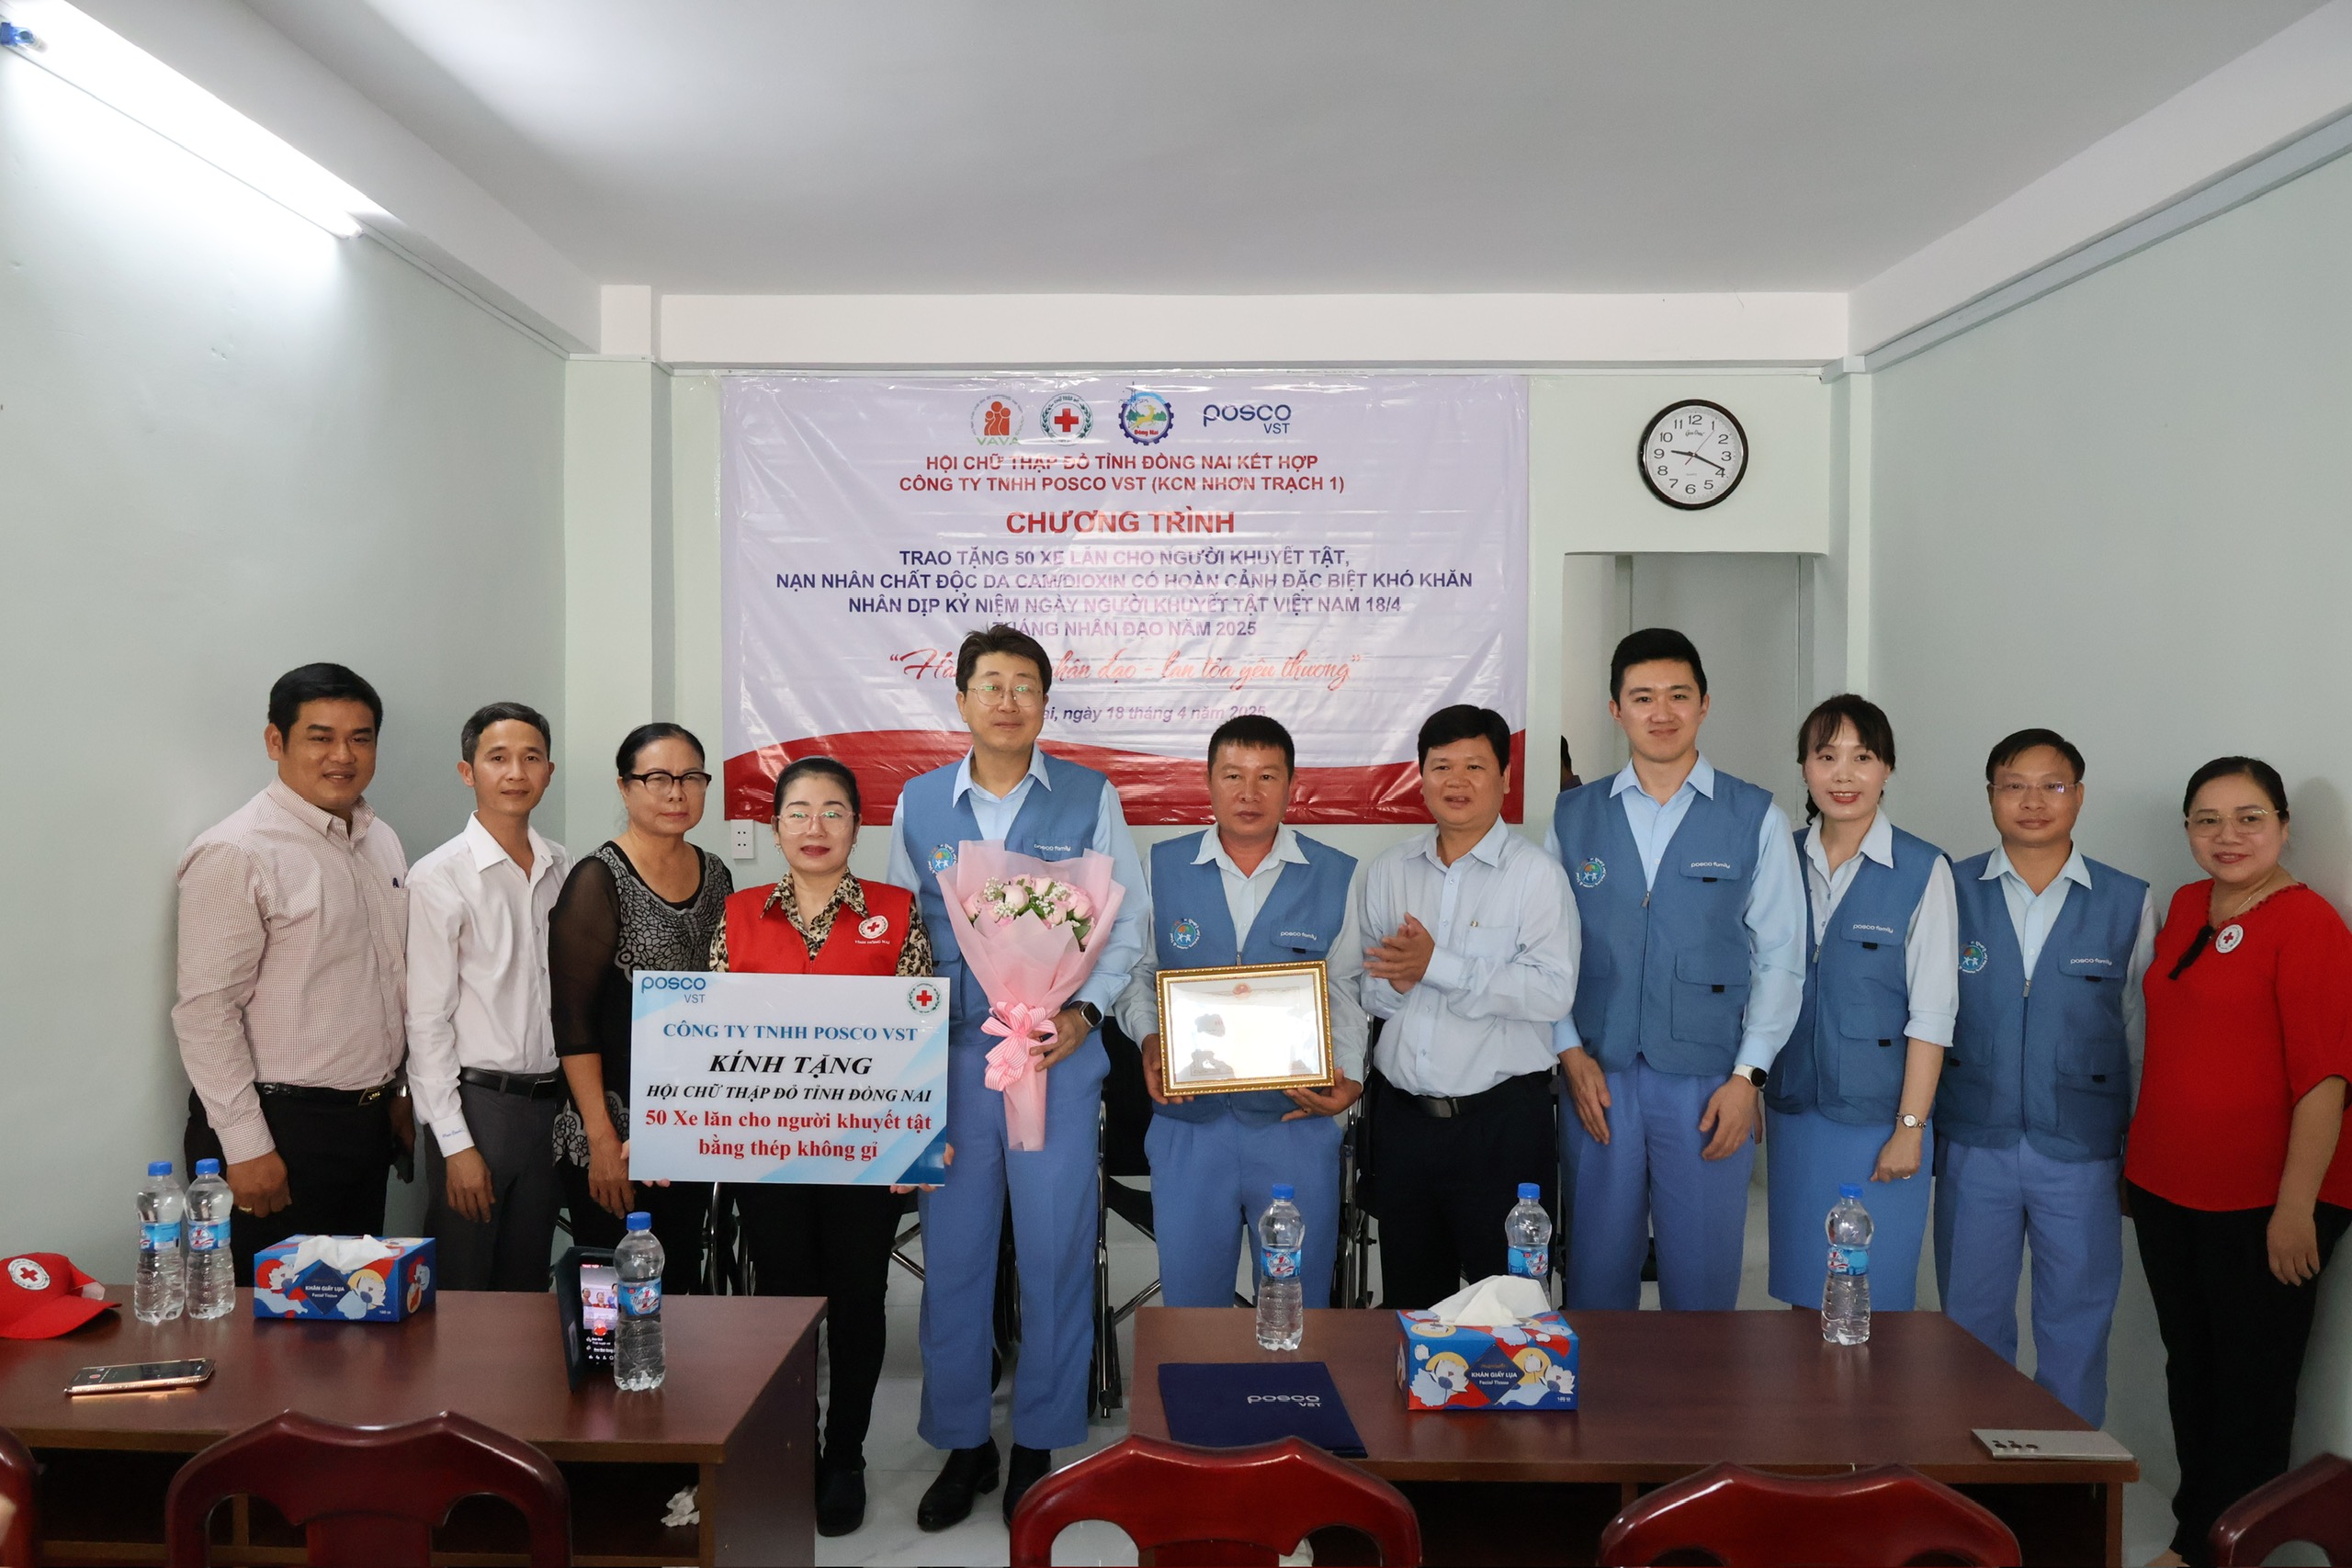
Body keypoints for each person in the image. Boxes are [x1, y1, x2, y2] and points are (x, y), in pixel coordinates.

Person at [884, 625, 1148, 1529]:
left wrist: (1082, 1016)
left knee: (1055, 1251)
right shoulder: (919, 802)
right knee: (954, 1258)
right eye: (989, 684)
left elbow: (1128, 925)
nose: (1006, 700)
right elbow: (901, 937)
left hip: (1058, 1060)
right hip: (955, 1062)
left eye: (1024, 684)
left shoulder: (1089, 795)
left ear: (1043, 701)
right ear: (961, 699)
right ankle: (964, 1443)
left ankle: (1040, 1435)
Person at [2130, 758, 2352, 1568]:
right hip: (2167, 1185)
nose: (2228, 835)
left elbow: (2326, 1081)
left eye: (2250, 817)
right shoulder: (2189, 903)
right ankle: (2198, 1530)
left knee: (2252, 1385)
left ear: (2284, 826)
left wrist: (2296, 1207)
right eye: (2207, 819)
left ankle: (2221, 1550)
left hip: (2268, 1201)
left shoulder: (2311, 925)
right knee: (2192, 1367)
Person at [710, 756, 937, 1539]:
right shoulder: (739, 913)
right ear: (775, 828)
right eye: (798, 812)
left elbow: (918, 1033)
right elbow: (710, 1038)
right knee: (783, 1299)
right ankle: (793, 1446)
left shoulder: (896, 912)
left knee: (858, 1300)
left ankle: (845, 1456)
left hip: (864, 1153)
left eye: (833, 811)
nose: (816, 827)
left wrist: (914, 1144)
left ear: (857, 826)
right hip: (766, 1152)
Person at [1546, 629, 1805, 1310]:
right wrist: (1568, 1052)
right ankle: (1601, 1384)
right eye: (1642, 697)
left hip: (1709, 1083)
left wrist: (1749, 1077)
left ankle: (1700, 1386)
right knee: (1596, 1274)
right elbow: (1544, 949)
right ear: (1616, 710)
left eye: (1678, 695)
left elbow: (1781, 958)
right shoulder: (1573, 817)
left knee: (1702, 1278)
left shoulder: (1756, 816)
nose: (1661, 712)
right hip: (1597, 1077)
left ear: (1704, 704)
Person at [1933, 728, 2155, 1427]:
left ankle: (2069, 1476)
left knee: (2076, 1325)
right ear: (1991, 795)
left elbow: (2140, 1039)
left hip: (2083, 1150)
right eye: (2014, 785)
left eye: (2052, 785)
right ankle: (1974, 1474)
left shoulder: (2127, 900)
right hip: (1974, 1140)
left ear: (2078, 796)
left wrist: (2137, 1149)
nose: (2033, 801)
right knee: (1969, 1326)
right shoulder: (1948, 889)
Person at [1115, 715, 1369, 1311]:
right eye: (1233, 775)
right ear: (1208, 782)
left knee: (1294, 1307)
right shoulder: (1160, 867)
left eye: (1266, 776)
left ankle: (1289, 1379)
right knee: (1192, 1310)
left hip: (1295, 1120)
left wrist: (1350, 1078)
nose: (1249, 793)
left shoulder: (1337, 874)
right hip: (1188, 1124)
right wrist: (1149, 1037)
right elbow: (1137, 973)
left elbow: (1346, 988)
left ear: (1291, 785)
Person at [175, 663, 413, 1283]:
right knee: (265, 1329)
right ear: (275, 741)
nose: (343, 755)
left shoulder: (381, 839)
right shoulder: (237, 851)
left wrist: (397, 1093)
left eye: (360, 738)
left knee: (353, 1315)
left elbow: (388, 980)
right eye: (320, 737)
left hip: (364, 1129)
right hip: (276, 1131)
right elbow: (205, 1015)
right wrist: (247, 1146)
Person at [1356, 705, 1579, 1310]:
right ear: (1421, 776)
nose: (1457, 780)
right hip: (1404, 1124)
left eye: (1475, 766)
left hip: (1501, 1129)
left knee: (1510, 1313)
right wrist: (1401, 980)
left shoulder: (1536, 876)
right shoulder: (1390, 871)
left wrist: (1436, 965)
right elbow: (1369, 990)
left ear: (1505, 777)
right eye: (1441, 766)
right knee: (1413, 1309)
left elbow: (1552, 992)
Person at [1763, 694, 1956, 1311]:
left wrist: (1909, 1129)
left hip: (1881, 1123)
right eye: (1826, 757)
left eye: (1863, 757)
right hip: (1794, 1113)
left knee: (1873, 1299)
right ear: (1804, 767)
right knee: (1803, 1293)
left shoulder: (1923, 868)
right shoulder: (1777, 856)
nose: (1843, 775)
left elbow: (1933, 1013)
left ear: (1887, 768)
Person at [549, 723, 731, 1295]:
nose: (676, 792)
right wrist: (602, 1142)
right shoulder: (596, 879)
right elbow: (573, 1024)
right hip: (614, 1128)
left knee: (680, 1288)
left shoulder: (717, 874)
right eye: (657, 778)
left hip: (688, 1123)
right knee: (617, 1298)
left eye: (691, 777)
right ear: (625, 787)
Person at [403, 703, 570, 1293]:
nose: (516, 773)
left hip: (548, 1108)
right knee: (463, 1288)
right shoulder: (439, 875)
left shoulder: (564, 867)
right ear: (467, 772)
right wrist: (455, 1145)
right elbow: (426, 1020)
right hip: (476, 1105)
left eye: (531, 758)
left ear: (549, 771)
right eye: (498, 758)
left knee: (527, 1286)